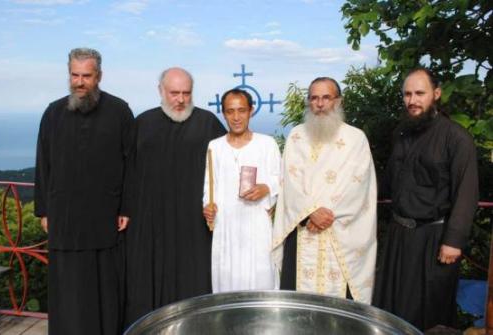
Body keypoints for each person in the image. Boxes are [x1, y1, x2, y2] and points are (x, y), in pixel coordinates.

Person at [34, 48, 134, 335]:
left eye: (86, 76)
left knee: (104, 288)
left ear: (99, 76)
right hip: (64, 218)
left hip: (105, 216)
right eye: (75, 75)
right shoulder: (53, 113)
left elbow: (132, 164)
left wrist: (126, 207)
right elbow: (44, 162)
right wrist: (43, 209)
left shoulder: (119, 111)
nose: (80, 82)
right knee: (68, 289)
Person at [373, 68, 479, 331]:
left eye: (420, 93)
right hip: (399, 236)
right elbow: (386, 184)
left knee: (428, 313)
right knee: (391, 308)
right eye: (407, 94)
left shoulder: (456, 138)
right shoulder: (401, 133)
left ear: (437, 94)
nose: (413, 100)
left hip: (435, 240)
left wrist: (453, 241)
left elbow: (467, 192)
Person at [124, 67, 226, 326]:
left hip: (194, 226)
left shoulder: (208, 123)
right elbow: (126, 171)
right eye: (174, 93)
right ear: (161, 91)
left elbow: (227, 170)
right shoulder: (142, 124)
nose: (180, 100)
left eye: (186, 93)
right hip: (150, 225)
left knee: (193, 283)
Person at [272, 77, 377, 304]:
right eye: (314, 98)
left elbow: (359, 185)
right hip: (302, 230)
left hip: (340, 232)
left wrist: (324, 215)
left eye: (326, 97)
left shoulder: (355, 138)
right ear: (308, 102)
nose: (319, 104)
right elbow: (289, 182)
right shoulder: (296, 136)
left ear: (338, 102)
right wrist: (310, 212)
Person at [202, 89, 281, 293]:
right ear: (224, 114)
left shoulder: (267, 144)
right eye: (230, 111)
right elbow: (209, 186)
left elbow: (281, 180)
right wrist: (207, 206)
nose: (236, 117)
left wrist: (266, 188)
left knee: (261, 280)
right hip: (226, 227)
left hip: (257, 226)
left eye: (241, 110)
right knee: (227, 283)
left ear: (251, 111)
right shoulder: (215, 147)